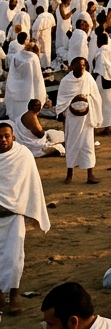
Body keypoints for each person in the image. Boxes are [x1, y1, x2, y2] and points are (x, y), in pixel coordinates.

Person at [0, 122, 50, 317]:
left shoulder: (23, 155)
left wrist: (34, 211)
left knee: (14, 258)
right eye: (0, 137)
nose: (3, 140)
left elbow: (33, 184)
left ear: (13, 137)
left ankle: (14, 294)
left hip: (14, 216)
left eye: (7, 136)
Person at [54, 56, 101, 184]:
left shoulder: (88, 78)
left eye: (83, 65)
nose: (81, 67)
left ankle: (90, 175)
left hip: (86, 118)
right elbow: (61, 99)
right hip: (72, 117)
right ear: (72, 66)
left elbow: (96, 96)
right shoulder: (66, 81)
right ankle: (69, 175)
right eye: (79, 65)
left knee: (88, 145)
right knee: (71, 144)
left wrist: (86, 100)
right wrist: (61, 112)